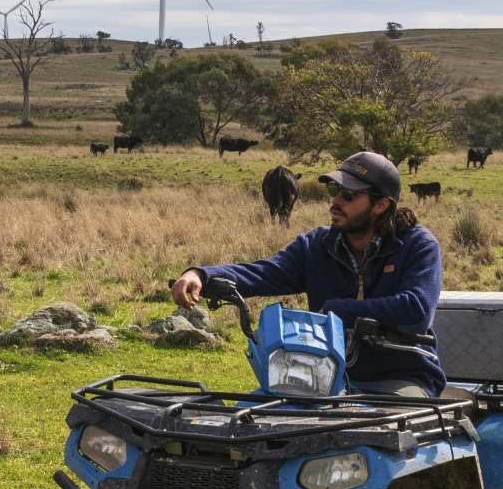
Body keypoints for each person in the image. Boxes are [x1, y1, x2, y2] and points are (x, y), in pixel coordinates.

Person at [171, 151, 445, 398]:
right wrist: (202, 276)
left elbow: (417, 311)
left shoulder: (416, 245)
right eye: (334, 189)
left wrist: (341, 311)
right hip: (322, 378)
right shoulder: (316, 246)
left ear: (381, 205)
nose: (336, 201)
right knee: (252, 423)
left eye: (348, 195)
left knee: (377, 436)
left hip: (401, 379)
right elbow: (263, 271)